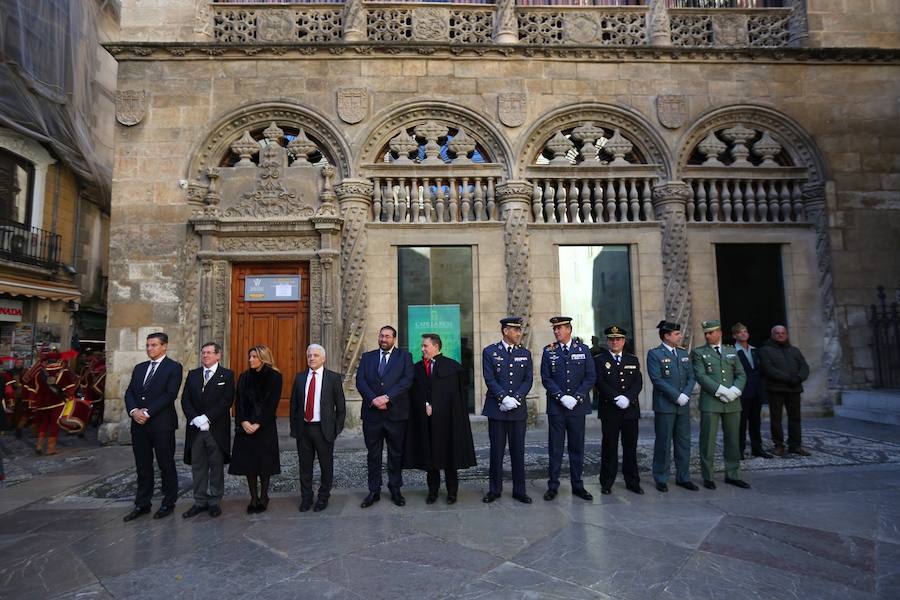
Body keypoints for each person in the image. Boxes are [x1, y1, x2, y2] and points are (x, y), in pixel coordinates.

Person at [404, 333, 476, 504]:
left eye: (425, 346)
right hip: (426, 422)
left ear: (436, 346)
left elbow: (456, 397)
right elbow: (414, 394)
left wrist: (436, 406)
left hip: (447, 422)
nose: (422, 349)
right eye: (422, 346)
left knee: (450, 457)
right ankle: (433, 492)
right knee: (430, 458)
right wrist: (425, 404)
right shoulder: (417, 368)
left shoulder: (453, 368)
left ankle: (452, 492)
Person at [122, 333, 184, 521]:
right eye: (148, 345)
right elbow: (130, 392)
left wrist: (147, 413)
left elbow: (170, 394)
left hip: (162, 425)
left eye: (154, 345)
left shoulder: (174, 367)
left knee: (166, 464)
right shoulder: (140, 368)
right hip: (139, 425)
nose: (149, 348)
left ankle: (168, 503)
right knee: (142, 465)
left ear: (164, 346)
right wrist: (134, 411)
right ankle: (142, 503)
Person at [356, 325, 414, 508]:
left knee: (395, 454)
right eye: (381, 336)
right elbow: (360, 381)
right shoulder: (368, 357)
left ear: (394, 339)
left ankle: (395, 488)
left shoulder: (405, 357)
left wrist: (387, 397)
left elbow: (407, 381)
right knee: (373, 455)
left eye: (387, 336)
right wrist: (373, 399)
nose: (383, 339)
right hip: (372, 415)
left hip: (395, 414)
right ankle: (374, 490)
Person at [540, 316, 596, 502]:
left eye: (560, 328)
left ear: (569, 329)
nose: (556, 331)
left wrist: (577, 397)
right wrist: (561, 396)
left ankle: (578, 485)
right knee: (555, 448)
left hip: (577, 408)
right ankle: (553, 486)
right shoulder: (549, 351)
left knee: (577, 447)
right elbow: (546, 378)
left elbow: (590, 376)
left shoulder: (583, 350)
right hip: (557, 407)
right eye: (554, 328)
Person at [691, 320, 750, 490]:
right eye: (706, 333)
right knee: (708, 440)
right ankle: (708, 476)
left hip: (732, 402)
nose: (708, 335)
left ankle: (733, 474)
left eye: (711, 332)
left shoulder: (731, 351)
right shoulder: (699, 352)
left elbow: (741, 374)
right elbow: (701, 376)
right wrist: (721, 391)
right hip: (711, 402)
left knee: (733, 439)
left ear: (720, 333)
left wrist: (735, 391)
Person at [481, 317, 533, 504]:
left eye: (519, 329)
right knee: (496, 451)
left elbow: (528, 379)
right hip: (497, 410)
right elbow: (489, 378)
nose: (519, 333)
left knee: (518, 451)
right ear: (505, 331)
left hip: (517, 410)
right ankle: (494, 490)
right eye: (515, 329)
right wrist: (503, 398)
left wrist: (516, 398)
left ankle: (520, 490)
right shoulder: (490, 352)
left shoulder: (525, 353)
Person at [180, 342, 235, 519]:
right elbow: (185, 399)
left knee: (216, 466)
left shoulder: (227, 375)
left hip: (216, 430)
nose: (205, 355)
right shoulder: (193, 374)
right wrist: (195, 418)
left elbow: (227, 401)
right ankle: (200, 501)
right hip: (196, 430)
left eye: (209, 353)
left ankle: (215, 501)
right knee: (198, 466)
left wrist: (207, 417)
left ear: (218, 355)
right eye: (203, 352)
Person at [290, 343, 346, 513]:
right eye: (309, 355)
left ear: (323, 358)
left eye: (315, 355)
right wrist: (295, 429)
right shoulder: (300, 378)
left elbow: (341, 407)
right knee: (304, 467)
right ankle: (306, 498)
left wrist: (336, 429)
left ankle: (323, 497)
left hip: (324, 430)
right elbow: (294, 405)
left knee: (325, 466)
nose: (312, 358)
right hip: (304, 429)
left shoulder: (333, 378)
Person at [229, 345, 282, 513]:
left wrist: (258, 423)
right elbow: (238, 402)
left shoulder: (275, 377)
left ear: (263, 358)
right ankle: (253, 498)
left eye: (254, 357)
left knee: (264, 463)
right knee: (249, 463)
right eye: (250, 356)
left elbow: (272, 404)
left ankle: (264, 496)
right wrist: (243, 421)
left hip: (265, 427)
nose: (250, 360)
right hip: (246, 427)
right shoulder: (244, 377)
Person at [648, 321, 698, 493]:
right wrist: (677, 396)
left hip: (683, 405)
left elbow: (692, 376)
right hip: (665, 406)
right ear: (666, 336)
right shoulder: (655, 354)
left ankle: (683, 477)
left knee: (683, 442)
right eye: (676, 334)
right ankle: (661, 478)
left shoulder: (683, 352)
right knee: (663, 442)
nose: (680, 336)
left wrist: (686, 394)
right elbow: (657, 379)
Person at [594, 325, 643, 495]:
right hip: (610, 410)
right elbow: (599, 382)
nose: (615, 342)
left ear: (623, 341)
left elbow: (638, 382)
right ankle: (607, 482)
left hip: (630, 410)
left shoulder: (632, 359)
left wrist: (627, 398)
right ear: (607, 341)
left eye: (618, 339)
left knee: (630, 447)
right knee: (609, 447)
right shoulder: (600, 360)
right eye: (611, 339)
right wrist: (616, 397)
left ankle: (633, 482)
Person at [759, 325, 811, 457]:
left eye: (783, 333)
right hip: (776, 389)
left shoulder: (794, 351)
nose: (780, 335)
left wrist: (799, 377)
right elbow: (768, 369)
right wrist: (788, 378)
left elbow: (804, 366)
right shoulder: (765, 350)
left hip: (794, 389)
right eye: (777, 333)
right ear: (772, 335)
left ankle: (795, 445)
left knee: (795, 418)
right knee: (776, 419)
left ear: (787, 335)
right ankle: (778, 445)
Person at [23, 348, 77, 456]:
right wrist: (70, 396)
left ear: (47, 361)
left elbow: (34, 389)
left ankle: (39, 445)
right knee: (54, 424)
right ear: (58, 360)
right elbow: (70, 388)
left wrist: (32, 402)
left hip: (42, 404)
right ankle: (50, 448)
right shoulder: (64, 372)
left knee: (44, 423)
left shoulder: (39, 373)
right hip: (57, 402)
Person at [732, 323, 773, 459]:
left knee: (756, 422)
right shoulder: (732, 352)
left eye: (745, 331)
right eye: (739, 332)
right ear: (734, 336)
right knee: (741, 423)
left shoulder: (755, 350)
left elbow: (760, 370)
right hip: (741, 392)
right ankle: (739, 449)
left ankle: (757, 448)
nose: (743, 334)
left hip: (756, 391)